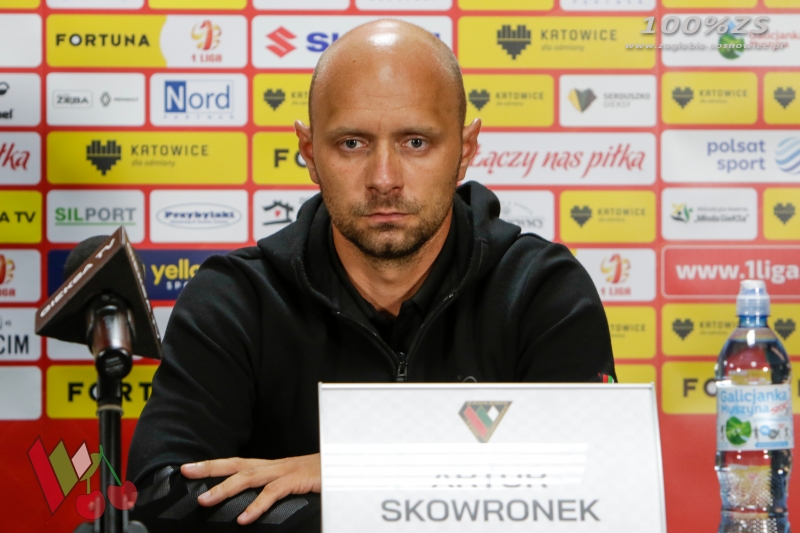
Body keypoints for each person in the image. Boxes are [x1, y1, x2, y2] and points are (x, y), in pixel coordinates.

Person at [128, 19, 615, 532]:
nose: (384, 179)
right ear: (309, 150)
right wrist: (457, 488)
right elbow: (161, 496)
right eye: (353, 143)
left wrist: (356, 470)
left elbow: (595, 486)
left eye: (416, 142)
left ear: (466, 149)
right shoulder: (236, 298)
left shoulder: (540, 291)